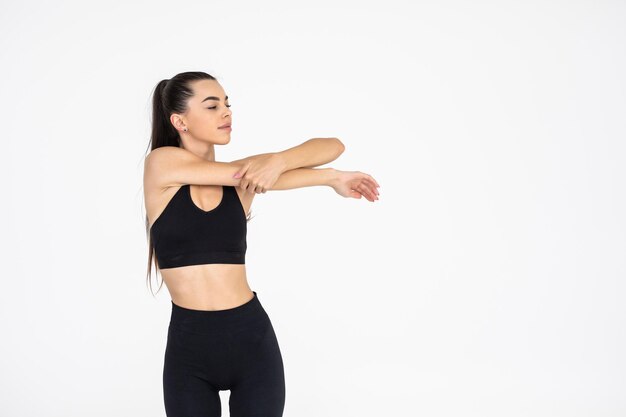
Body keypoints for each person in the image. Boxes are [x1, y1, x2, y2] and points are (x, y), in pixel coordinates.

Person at [143, 71, 380, 417]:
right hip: (189, 349)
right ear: (179, 120)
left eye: (227, 104)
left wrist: (322, 175)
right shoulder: (161, 165)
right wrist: (288, 167)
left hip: (251, 341)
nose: (226, 112)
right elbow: (246, 173)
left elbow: (334, 146)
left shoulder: (243, 181)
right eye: (212, 106)